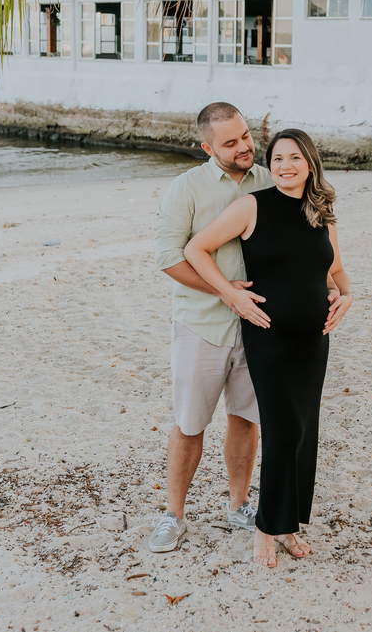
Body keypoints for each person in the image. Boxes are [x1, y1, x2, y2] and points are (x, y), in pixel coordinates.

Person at [184, 129, 353, 568]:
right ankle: (265, 527)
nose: (285, 166)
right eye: (277, 159)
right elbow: (196, 248)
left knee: (302, 432)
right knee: (280, 431)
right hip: (270, 339)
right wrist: (230, 294)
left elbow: (333, 267)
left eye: (294, 158)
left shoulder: (323, 211)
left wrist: (347, 295)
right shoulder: (251, 206)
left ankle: (287, 524)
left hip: (314, 341)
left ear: (310, 163)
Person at [148, 102, 273, 553]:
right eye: (230, 142)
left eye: (245, 136)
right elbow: (168, 257)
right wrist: (225, 291)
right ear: (207, 147)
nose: (244, 147)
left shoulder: (269, 179)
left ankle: (238, 505)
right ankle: (173, 515)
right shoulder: (187, 188)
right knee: (190, 422)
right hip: (201, 325)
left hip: (259, 325)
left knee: (245, 418)